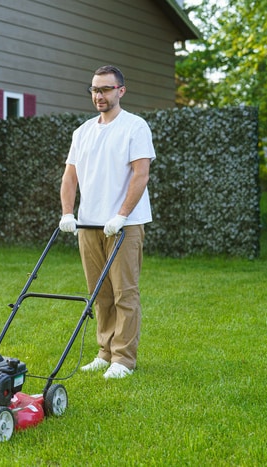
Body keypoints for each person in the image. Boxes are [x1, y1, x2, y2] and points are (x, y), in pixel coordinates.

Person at [59, 65, 156, 379]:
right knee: (98, 293)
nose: (99, 95)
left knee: (124, 293)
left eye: (105, 89)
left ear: (120, 91)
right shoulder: (83, 131)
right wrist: (67, 213)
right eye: (94, 90)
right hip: (89, 225)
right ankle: (104, 352)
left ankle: (123, 359)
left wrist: (122, 215)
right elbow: (69, 177)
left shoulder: (134, 127)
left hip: (124, 225)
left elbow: (141, 174)